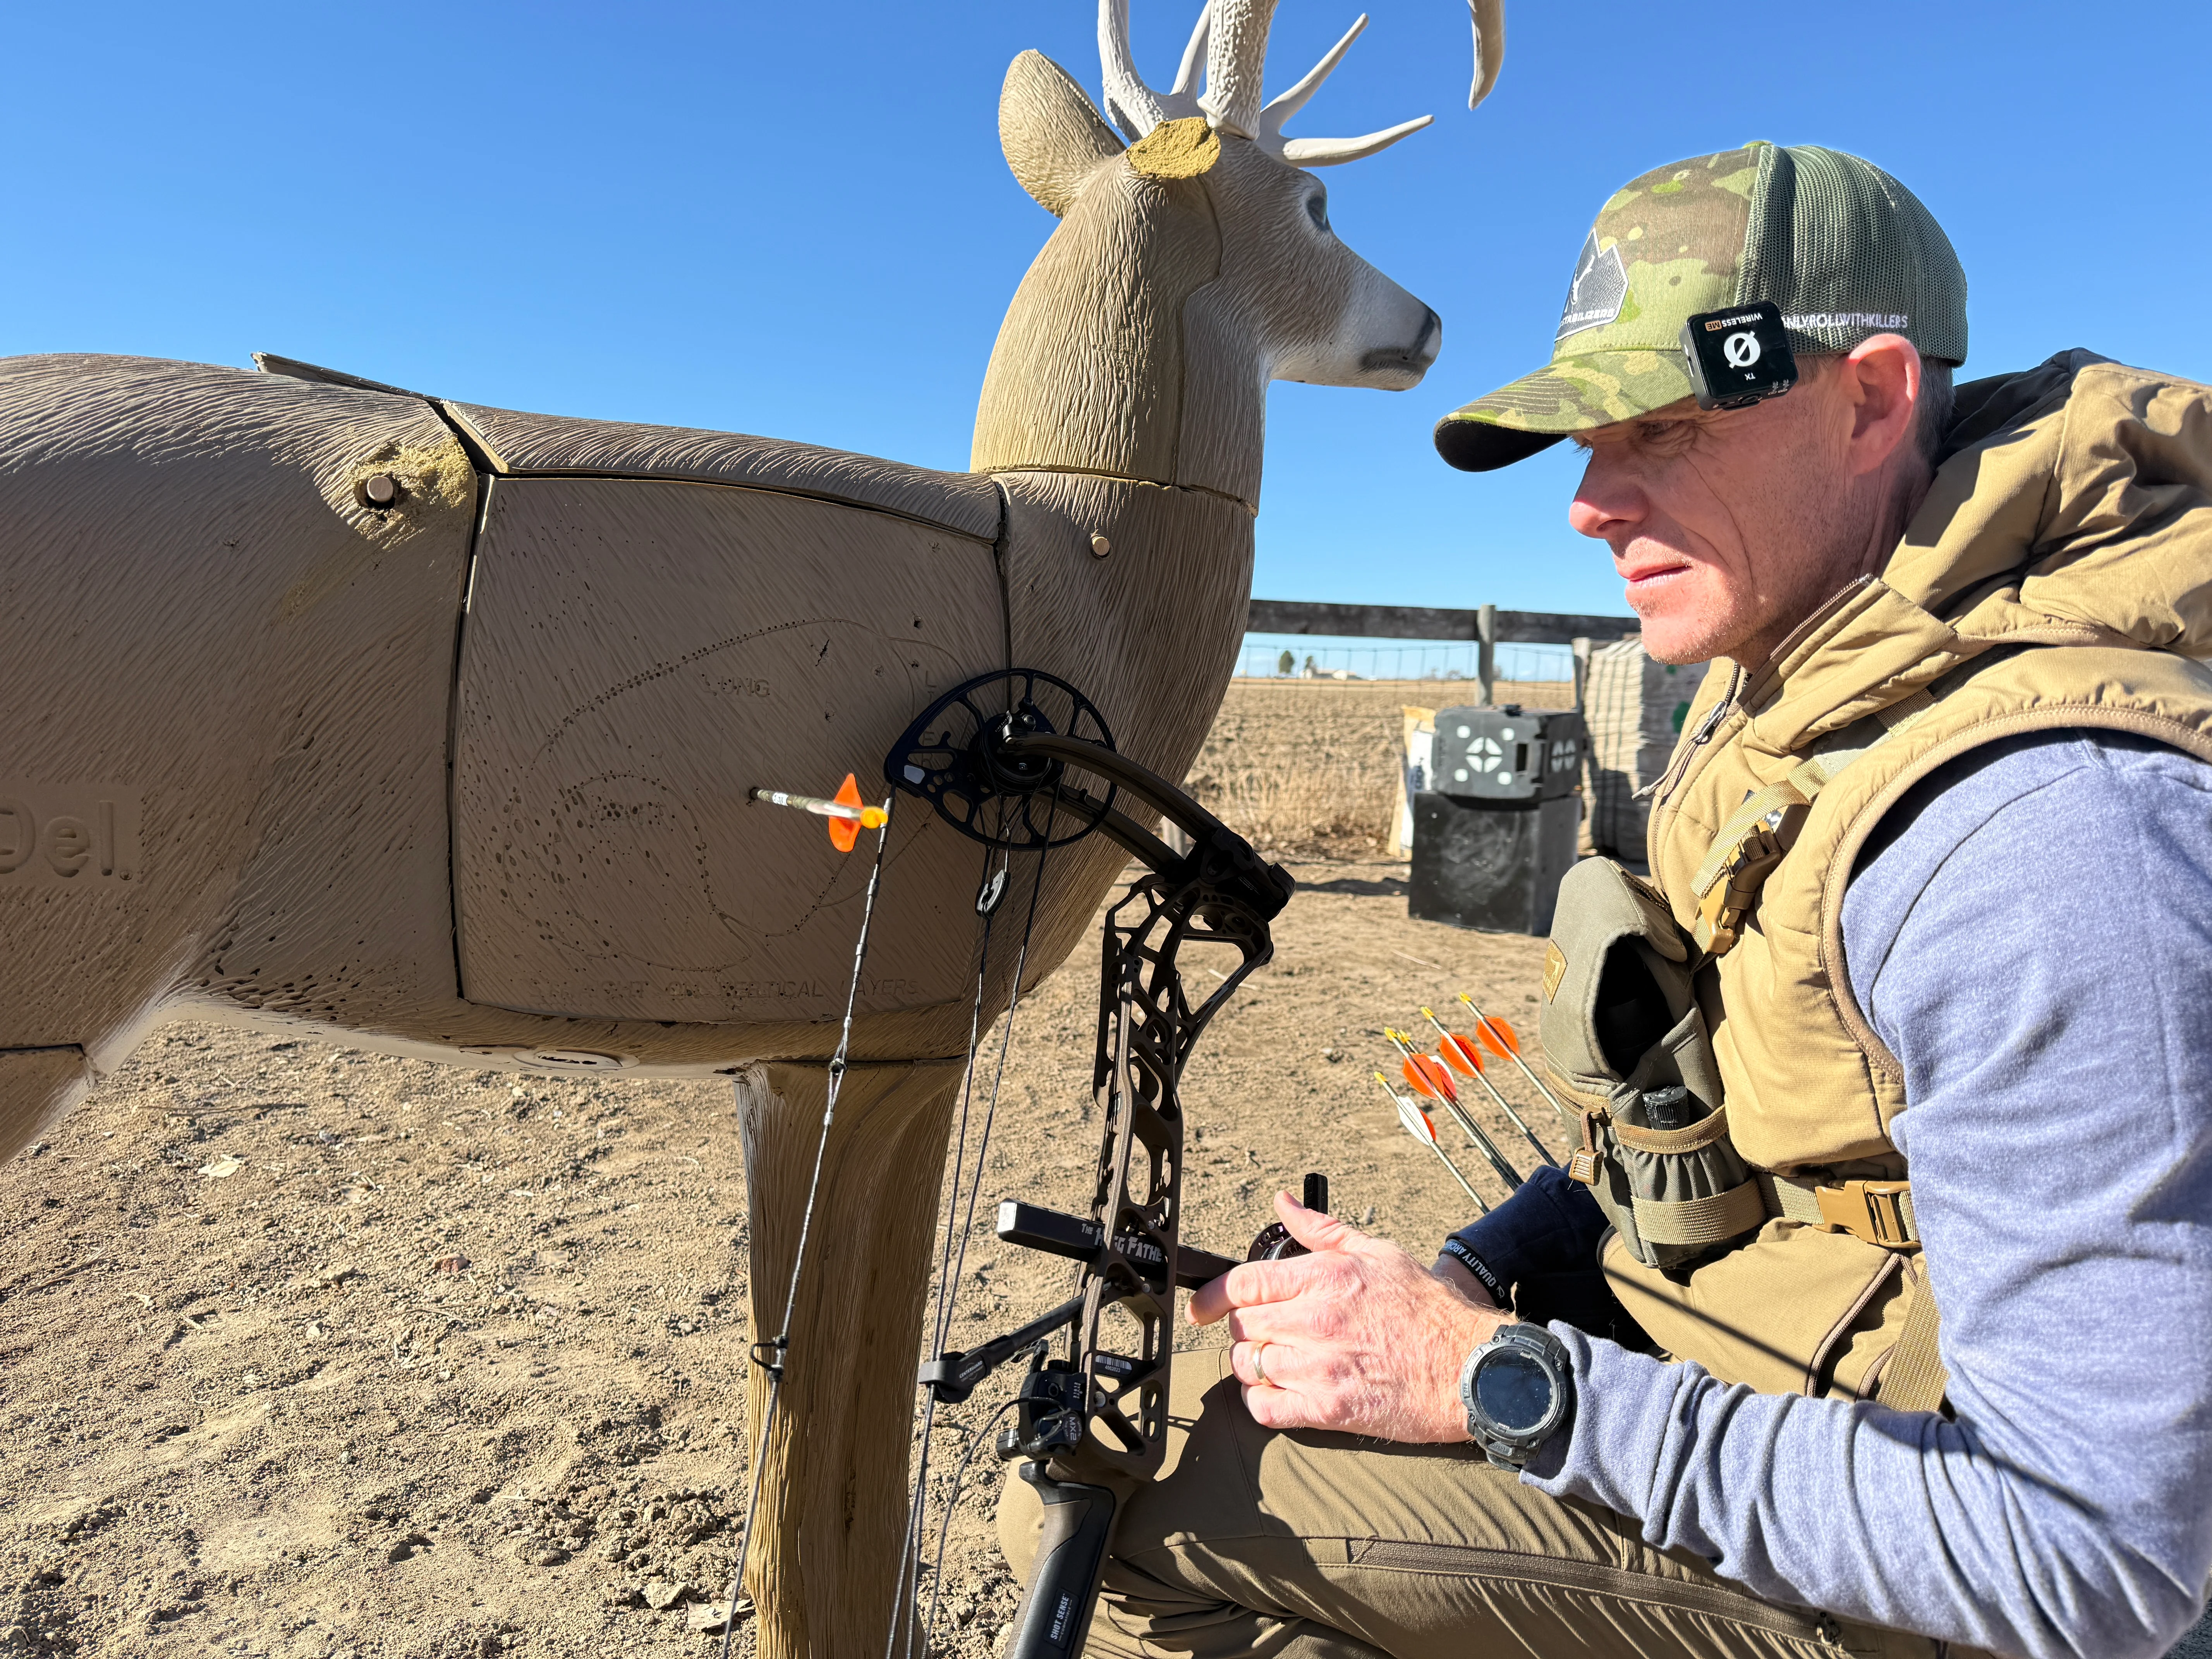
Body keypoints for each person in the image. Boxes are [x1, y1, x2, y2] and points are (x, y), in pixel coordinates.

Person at [999, 141, 2212, 1659]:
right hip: (1764, 1348)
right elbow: (1722, 1131)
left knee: (1132, 1506)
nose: (1587, 503)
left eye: (1667, 428)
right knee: (1142, 1433)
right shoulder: (1794, 686)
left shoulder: (2046, 837)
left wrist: (1489, 1381)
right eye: (1587, 435)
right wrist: (1479, 1275)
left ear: (1874, 398)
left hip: (1939, 1545)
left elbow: (2096, 1561)